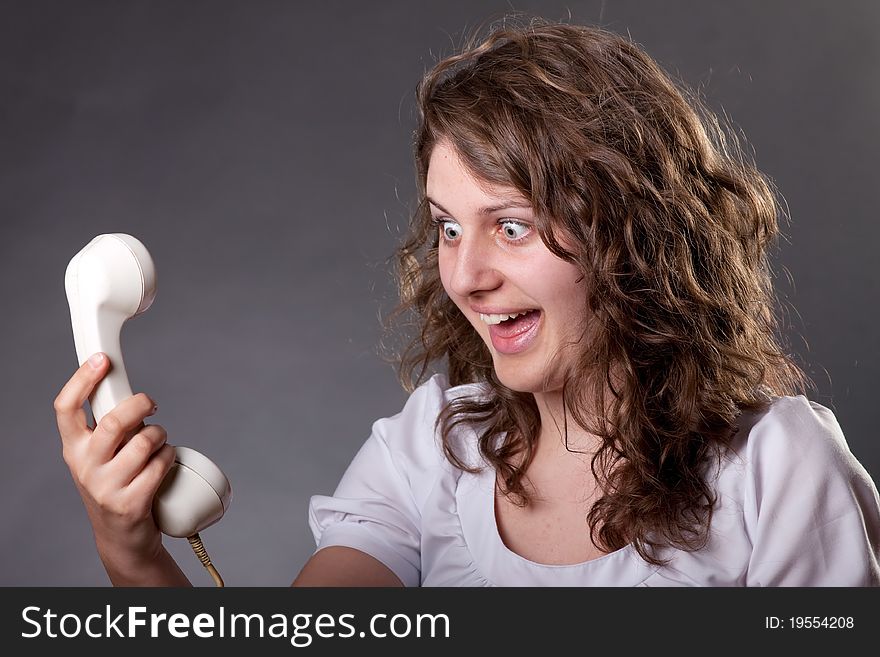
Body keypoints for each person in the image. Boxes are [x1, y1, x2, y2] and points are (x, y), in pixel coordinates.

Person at [55, 20, 880, 586]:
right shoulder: (431, 450)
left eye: (511, 226)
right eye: (449, 228)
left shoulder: (780, 468)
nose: (467, 274)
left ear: (635, 236)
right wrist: (128, 547)